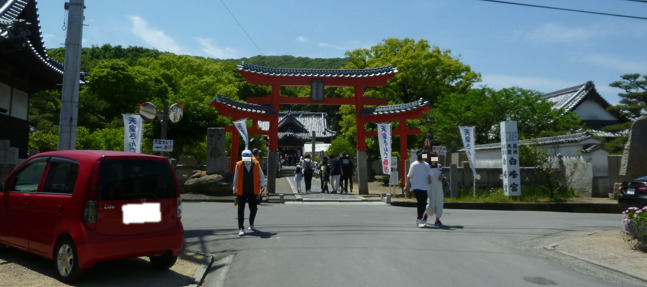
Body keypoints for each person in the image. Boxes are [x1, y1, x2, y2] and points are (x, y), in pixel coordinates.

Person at [233, 149, 265, 236]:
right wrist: (234, 190)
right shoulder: (238, 165)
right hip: (241, 191)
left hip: (253, 190)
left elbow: (261, 176)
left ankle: (251, 223)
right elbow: (235, 178)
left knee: (254, 208)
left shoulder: (256, 164)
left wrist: (262, 185)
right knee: (240, 209)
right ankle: (241, 228)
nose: (246, 160)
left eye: (248, 158)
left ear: (251, 157)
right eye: (245, 158)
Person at [403, 149, 431, 228]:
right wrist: (406, 186)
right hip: (416, 186)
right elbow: (409, 176)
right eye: (424, 155)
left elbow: (429, 174)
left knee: (424, 203)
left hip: (425, 186)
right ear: (420, 156)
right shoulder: (414, 165)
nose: (425, 156)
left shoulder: (426, 165)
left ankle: (421, 218)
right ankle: (419, 219)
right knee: (420, 202)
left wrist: (429, 179)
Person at [425, 152, 446, 226]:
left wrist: (442, 177)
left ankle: (437, 220)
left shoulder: (439, 166)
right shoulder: (427, 167)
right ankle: (425, 215)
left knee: (439, 204)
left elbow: (440, 174)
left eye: (435, 157)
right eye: (433, 158)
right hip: (430, 188)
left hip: (439, 187)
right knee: (431, 203)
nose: (435, 159)